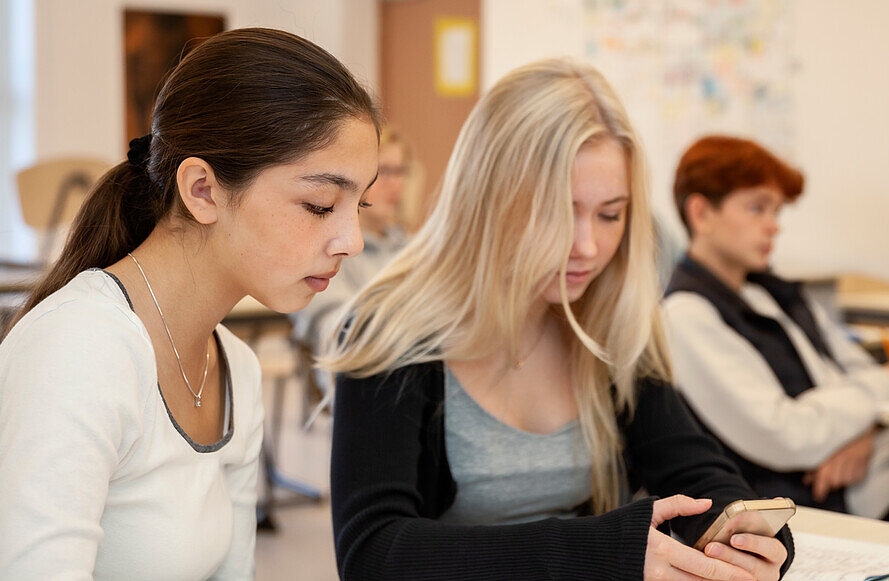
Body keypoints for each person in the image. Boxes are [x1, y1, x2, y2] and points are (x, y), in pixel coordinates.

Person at [321, 60, 794, 581]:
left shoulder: (612, 320)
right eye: (556, 212)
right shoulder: (391, 328)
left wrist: (749, 532)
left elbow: (695, 472)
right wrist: (598, 552)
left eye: (610, 214)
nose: (587, 247)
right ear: (489, 199)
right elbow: (373, 554)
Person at [0, 28, 382, 579]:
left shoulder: (236, 370)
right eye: (321, 205)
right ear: (202, 190)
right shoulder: (79, 350)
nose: (353, 241)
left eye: (359, 204)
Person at [663, 136, 889, 520]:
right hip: (809, 513)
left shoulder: (771, 293)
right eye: (757, 208)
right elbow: (787, 433)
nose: (774, 227)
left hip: (872, 478)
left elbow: (861, 374)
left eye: (777, 212)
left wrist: (862, 435)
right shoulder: (686, 314)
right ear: (700, 213)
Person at [292, 127, 412, 354]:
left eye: (400, 172)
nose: (395, 184)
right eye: (383, 171)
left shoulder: (414, 248)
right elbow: (333, 330)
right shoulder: (330, 249)